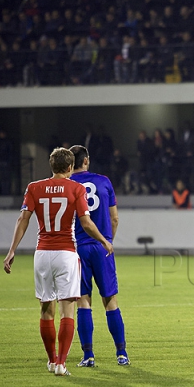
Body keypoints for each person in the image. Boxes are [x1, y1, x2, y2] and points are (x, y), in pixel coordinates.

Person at [3, 148, 113, 377]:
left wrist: (12, 250)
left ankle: (52, 360)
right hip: (66, 253)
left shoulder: (34, 187)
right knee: (67, 310)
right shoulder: (76, 188)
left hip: (42, 253)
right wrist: (104, 240)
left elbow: (23, 219)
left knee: (45, 309)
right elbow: (86, 223)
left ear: (51, 166)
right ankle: (62, 363)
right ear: (70, 167)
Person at [69, 145, 129, 367]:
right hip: (103, 247)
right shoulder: (104, 181)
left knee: (83, 301)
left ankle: (88, 356)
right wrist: (108, 242)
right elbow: (114, 219)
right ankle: (121, 354)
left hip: (78, 248)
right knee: (110, 301)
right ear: (86, 160)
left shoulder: (68, 185)